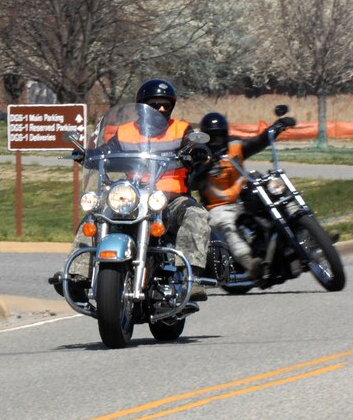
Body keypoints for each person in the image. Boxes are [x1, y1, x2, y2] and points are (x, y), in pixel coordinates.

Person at [52, 78, 212, 311]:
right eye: (155, 104)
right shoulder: (125, 132)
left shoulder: (181, 129)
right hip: (133, 196)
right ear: (142, 106)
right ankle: (78, 275)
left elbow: (194, 145)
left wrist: (198, 151)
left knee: (195, 215)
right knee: (96, 215)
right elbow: (106, 152)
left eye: (166, 104)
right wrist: (87, 154)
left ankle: (191, 277)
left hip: (170, 198)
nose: (161, 109)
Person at [198, 111, 295, 279]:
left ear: (225, 133)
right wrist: (205, 167)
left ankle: (310, 236)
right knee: (227, 226)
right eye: (211, 137)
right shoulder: (199, 157)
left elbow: (258, 141)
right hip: (218, 208)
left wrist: (277, 127)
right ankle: (250, 264)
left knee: (277, 190)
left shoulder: (235, 148)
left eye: (219, 135)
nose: (216, 141)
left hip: (243, 198)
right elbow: (193, 181)